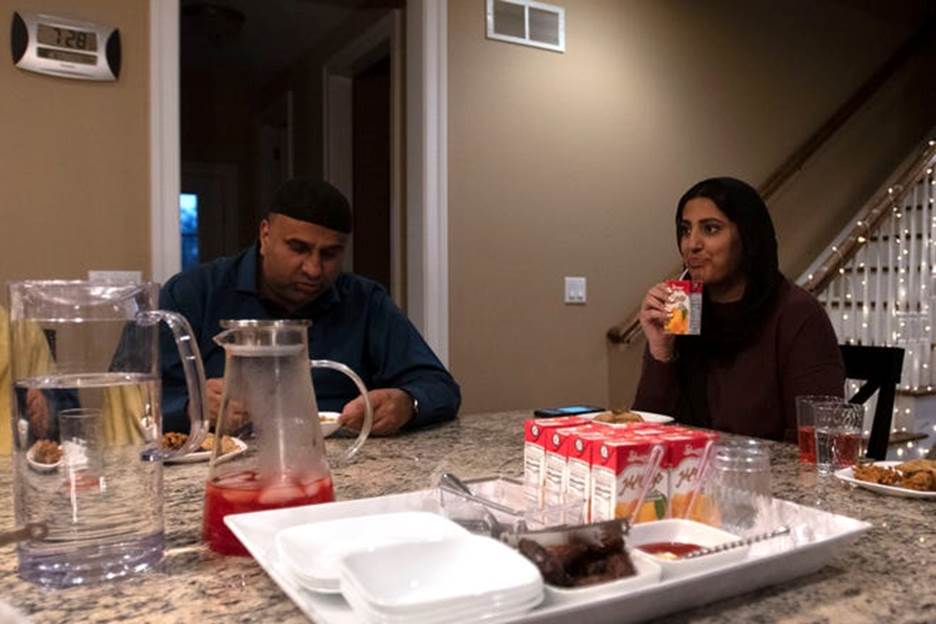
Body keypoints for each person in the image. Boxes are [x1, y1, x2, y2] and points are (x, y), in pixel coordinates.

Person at [159, 178, 461, 436]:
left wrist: (408, 403)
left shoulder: (365, 301)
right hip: (223, 465)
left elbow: (439, 386)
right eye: (298, 248)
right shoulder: (191, 293)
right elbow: (132, 401)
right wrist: (191, 407)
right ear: (265, 235)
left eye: (330, 254)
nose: (314, 270)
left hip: (345, 463)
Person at [633, 177, 845, 442]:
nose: (692, 244)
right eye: (685, 230)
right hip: (690, 475)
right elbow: (646, 436)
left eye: (710, 229)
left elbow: (819, 442)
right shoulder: (683, 307)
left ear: (748, 237)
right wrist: (661, 351)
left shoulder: (796, 313)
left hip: (761, 476)